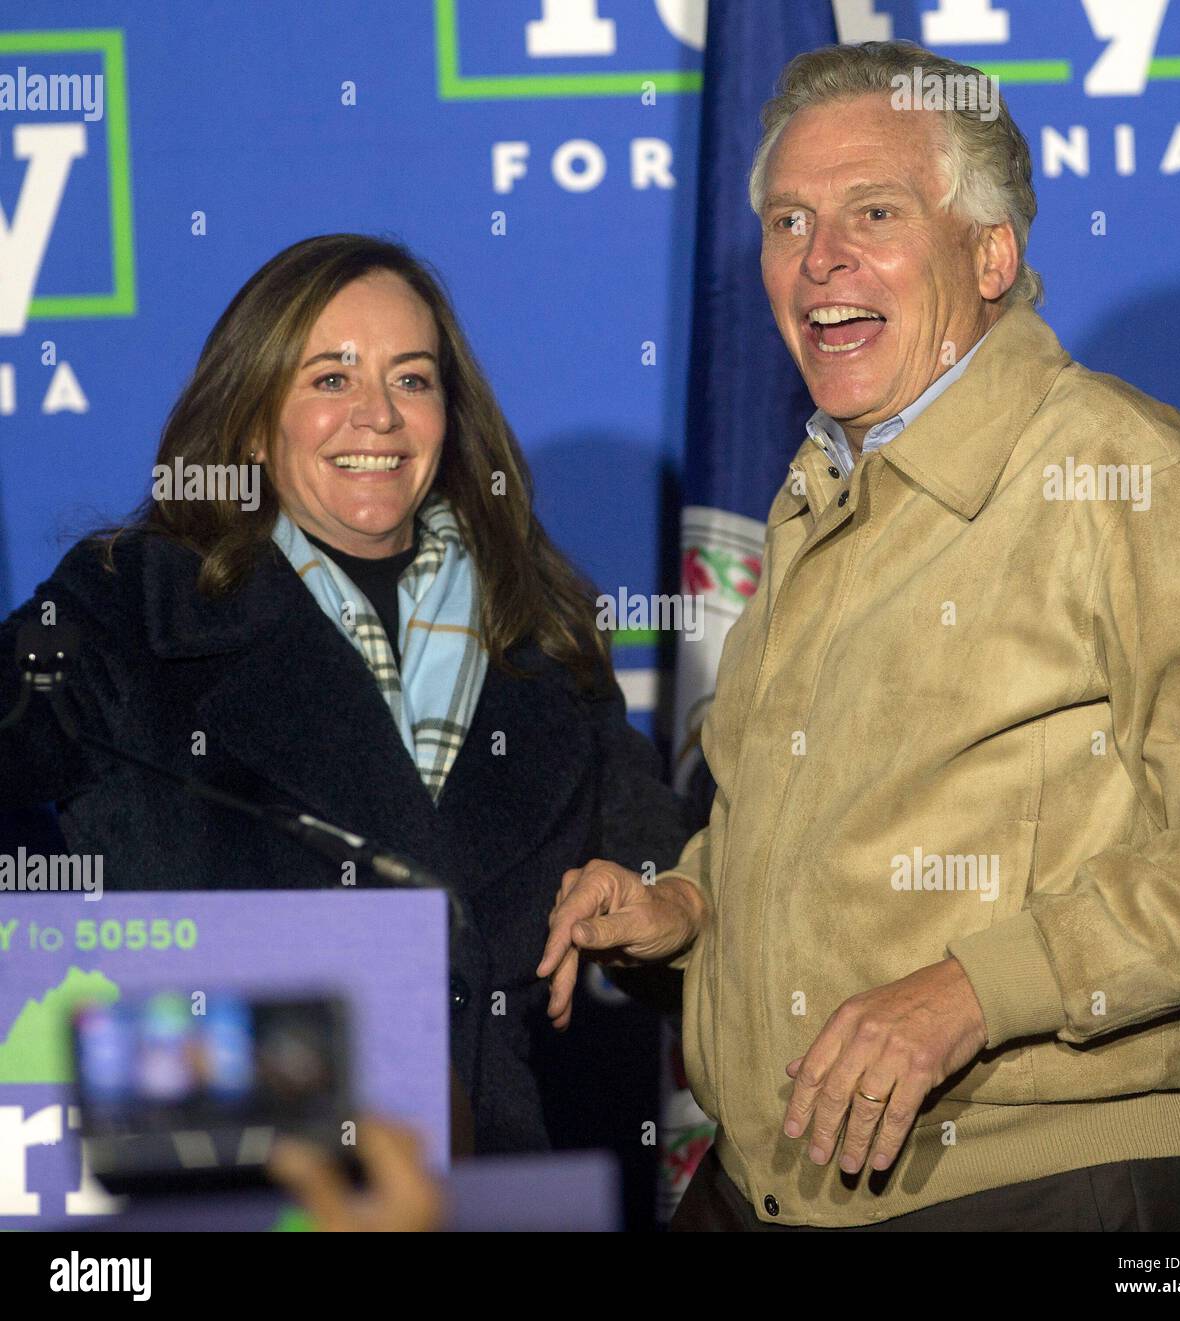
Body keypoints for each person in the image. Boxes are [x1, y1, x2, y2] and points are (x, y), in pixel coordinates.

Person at [540, 40, 1180, 1231]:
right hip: (770, 1184)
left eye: (873, 211)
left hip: (1044, 1190)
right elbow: (821, 840)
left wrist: (973, 993)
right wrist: (685, 908)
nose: (819, 257)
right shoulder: (820, 487)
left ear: (992, 253)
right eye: (788, 221)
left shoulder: (1141, 478)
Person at [0, 233, 693, 1159]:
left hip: (491, 1187)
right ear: (252, 421)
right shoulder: (134, 607)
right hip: (232, 1180)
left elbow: (662, 874)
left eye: (412, 380)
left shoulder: (543, 630)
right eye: (330, 379)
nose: (377, 417)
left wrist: (646, 901)